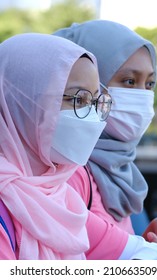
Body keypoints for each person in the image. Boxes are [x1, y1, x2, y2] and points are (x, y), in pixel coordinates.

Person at [53, 19, 157, 259]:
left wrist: (146, 240)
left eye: (149, 83)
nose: (142, 95)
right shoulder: (66, 172)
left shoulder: (120, 169)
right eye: (129, 81)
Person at [0, 32, 110, 259]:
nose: (92, 116)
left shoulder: (57, 192)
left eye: (95, 101)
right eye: (77, 99)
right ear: (23, 104)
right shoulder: (9, 200)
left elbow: (126, 248)